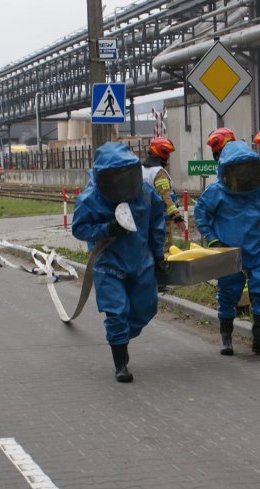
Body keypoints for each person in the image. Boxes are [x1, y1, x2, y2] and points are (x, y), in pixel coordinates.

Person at [72, 142, 165, 383]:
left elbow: (156, 224)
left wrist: (159, 255)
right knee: (116, 312)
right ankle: (120, 363)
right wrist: (108, 228)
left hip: (141, 261)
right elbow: (80, 228)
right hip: (109, 263)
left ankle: (121, 338)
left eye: (126, 174)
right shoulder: (91, 198)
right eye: (115, 176)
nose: (121, 181)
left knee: (146, 308)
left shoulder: (144, 193)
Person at [194, 141, 260, 356]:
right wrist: (212, 240)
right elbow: (201, 214)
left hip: (256, 249)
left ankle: (259, 335)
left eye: (247, 170)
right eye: (237, 170)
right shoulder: (217, 192)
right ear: (226, 170)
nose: (243, 175)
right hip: (228, 251)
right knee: (229, 292)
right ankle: (226, 337)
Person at [141, 137, 186, 257]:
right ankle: (164, 272)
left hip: (145, 218)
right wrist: (177, 217)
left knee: (149, 248)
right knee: (164, 249)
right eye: (168, 154)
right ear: (162, 154)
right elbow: (165, 197)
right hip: (161, 218)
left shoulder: (142, 170)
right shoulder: (158, 172)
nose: (169, 157)